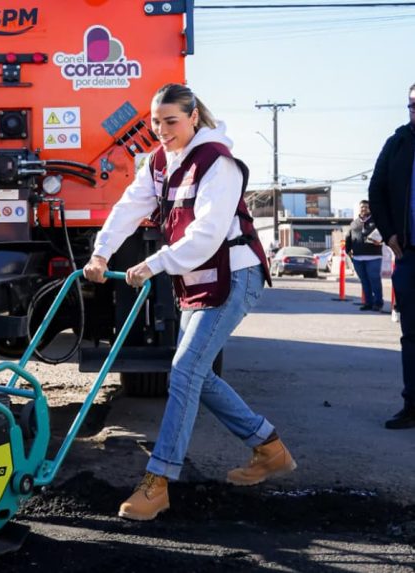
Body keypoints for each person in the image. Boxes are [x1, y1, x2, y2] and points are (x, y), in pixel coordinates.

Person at [84, 83, 296, 521]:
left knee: (183, 372)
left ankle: (158, 481)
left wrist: (155, 264)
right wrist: (101, 252)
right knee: (197, 374)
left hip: (234, 276)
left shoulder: (218, 163)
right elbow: (129, 206)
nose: (161, 131)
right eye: (156, 122)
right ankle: (269, 447)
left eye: (171, 121)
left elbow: (207, 234)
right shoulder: (159, 163)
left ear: (193, 116)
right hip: (198, 279)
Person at [368, 82, 415, 430]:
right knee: (412, 334)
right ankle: (412, 405)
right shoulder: (398, 144)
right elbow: (377, 190)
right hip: (410, 255)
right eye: (412, 105)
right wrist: (390, 234)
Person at [345, 200, 384, 311]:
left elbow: (385, 234)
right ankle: (368, 303)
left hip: (374, 257)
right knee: (364, 281)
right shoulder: (354, 223)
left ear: (370, 208)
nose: (364, 209)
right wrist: (348, 251)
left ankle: (378, 303)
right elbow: (349, 237)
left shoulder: (376, 220)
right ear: (359, 208)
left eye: (366, 207)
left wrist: (381, 242)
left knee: (374, 280)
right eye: (362, 207)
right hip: (357, 257)